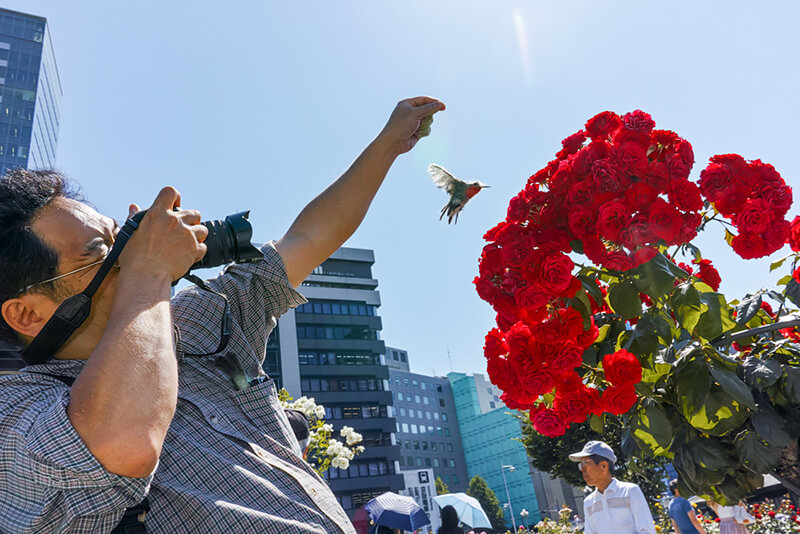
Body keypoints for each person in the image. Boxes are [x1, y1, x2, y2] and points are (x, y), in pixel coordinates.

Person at [0, 96, 445, 533]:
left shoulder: (192, 323)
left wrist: (388, 142)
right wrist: (151, 269)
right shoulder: (15, 413)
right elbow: (124, 441)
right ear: (26, 313)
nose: (126, 252)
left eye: (121, 235)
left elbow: (307, 238)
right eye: (100, 249)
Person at [568, 440, 656, 534]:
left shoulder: (630, 491)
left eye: (586, 463)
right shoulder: (589, 503)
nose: (582, 469)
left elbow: (647, 531)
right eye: (581, 465)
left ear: (604, 466)